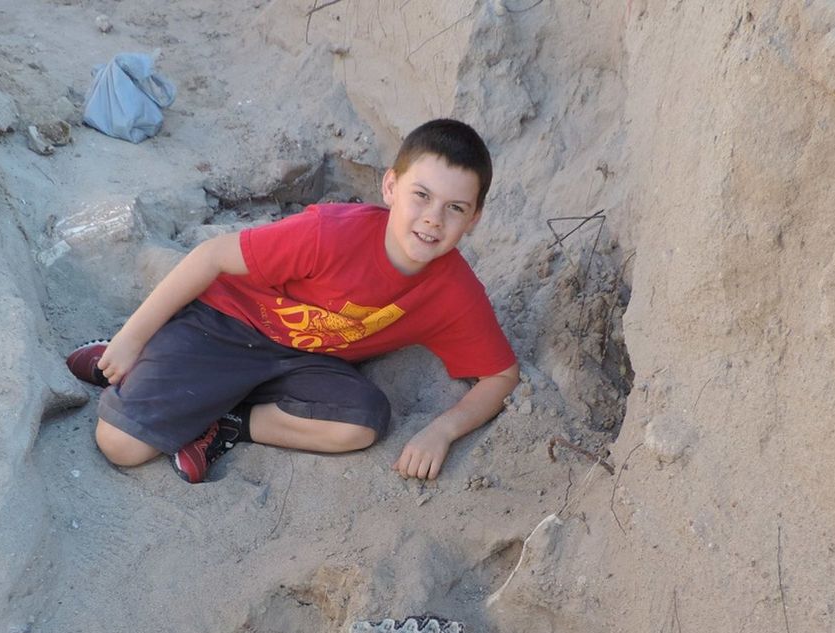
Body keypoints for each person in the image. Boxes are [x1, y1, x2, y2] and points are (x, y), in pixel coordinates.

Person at [67, 117, 520, 483]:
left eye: (455, 208)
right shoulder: (331, 235)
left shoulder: (454, 291)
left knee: (362, 423)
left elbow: (500, 376)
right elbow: (211, 257)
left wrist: (442, 430)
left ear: (474, 218)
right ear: (390, 188)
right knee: (122, 447)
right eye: (421, 196)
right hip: (226, 325)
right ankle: (135, 351)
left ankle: (224, 423)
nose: (433, 219)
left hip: (302, 361)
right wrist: (131, 336)